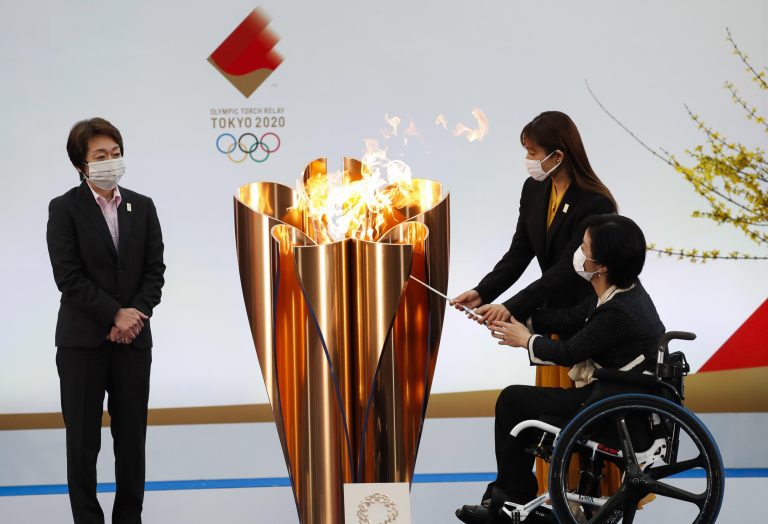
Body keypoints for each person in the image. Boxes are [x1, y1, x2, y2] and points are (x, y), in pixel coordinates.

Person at [452, 110, 618, 504]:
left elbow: (566, 271)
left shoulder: (596, 203)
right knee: (550, 426)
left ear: (559, 155)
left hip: (585, 323)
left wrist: (511, 306)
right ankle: (547, 501)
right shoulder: (535, 190)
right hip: (549, 323)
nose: (529, 159)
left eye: (533, 152)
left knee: (579, 426)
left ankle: (588, 502)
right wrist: (483, 291)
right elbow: (520, 252)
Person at [460, 214, 665, 523]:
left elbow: (571, 351)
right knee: (523, 406)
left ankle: (508, 501)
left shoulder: (619, 310)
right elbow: (572, 318)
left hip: (614, 409)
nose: (577, 252)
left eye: (584, 247)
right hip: (614, 397)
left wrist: (525, 340)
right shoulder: (622, 291)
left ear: (601, 266)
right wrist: (512, 316)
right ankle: (510, 498)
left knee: (512, 401)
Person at [47, 117, 165, 524]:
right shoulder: (64, 209)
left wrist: (135, 315)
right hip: (82, 345)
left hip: (133, 343)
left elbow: (155, 273)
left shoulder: (142, 206)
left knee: (131, 442)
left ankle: (129, 518)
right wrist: (113, 313)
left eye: (115, 154)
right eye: (100, 156)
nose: (111, 162)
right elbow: (68, 276)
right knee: (83, 444)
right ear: (81, 164)